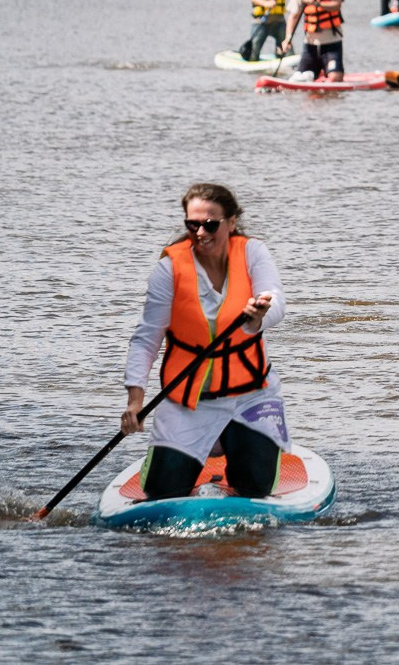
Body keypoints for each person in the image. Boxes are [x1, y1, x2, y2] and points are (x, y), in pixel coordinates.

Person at [120, 183, 291, 500]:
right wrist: (135, 398)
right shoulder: (169, 269)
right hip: (188, 402)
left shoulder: (253, 252)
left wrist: (258, 315)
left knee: (256, 489)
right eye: (192, 224)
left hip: (251, 396)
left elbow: (276, 300)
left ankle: (241, 458)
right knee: (162, 494)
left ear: (231, 223)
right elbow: (146, 338)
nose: (200, 232)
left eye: (210, 224)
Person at [278, 0, 345, 82]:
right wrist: (287, 38)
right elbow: (293, 16)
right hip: (310, 45)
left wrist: (317, 3)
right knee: (300, 77)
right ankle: (314, 76)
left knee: (335, 78)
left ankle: (329, 75)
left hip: (332, 43)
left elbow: (336, 5)